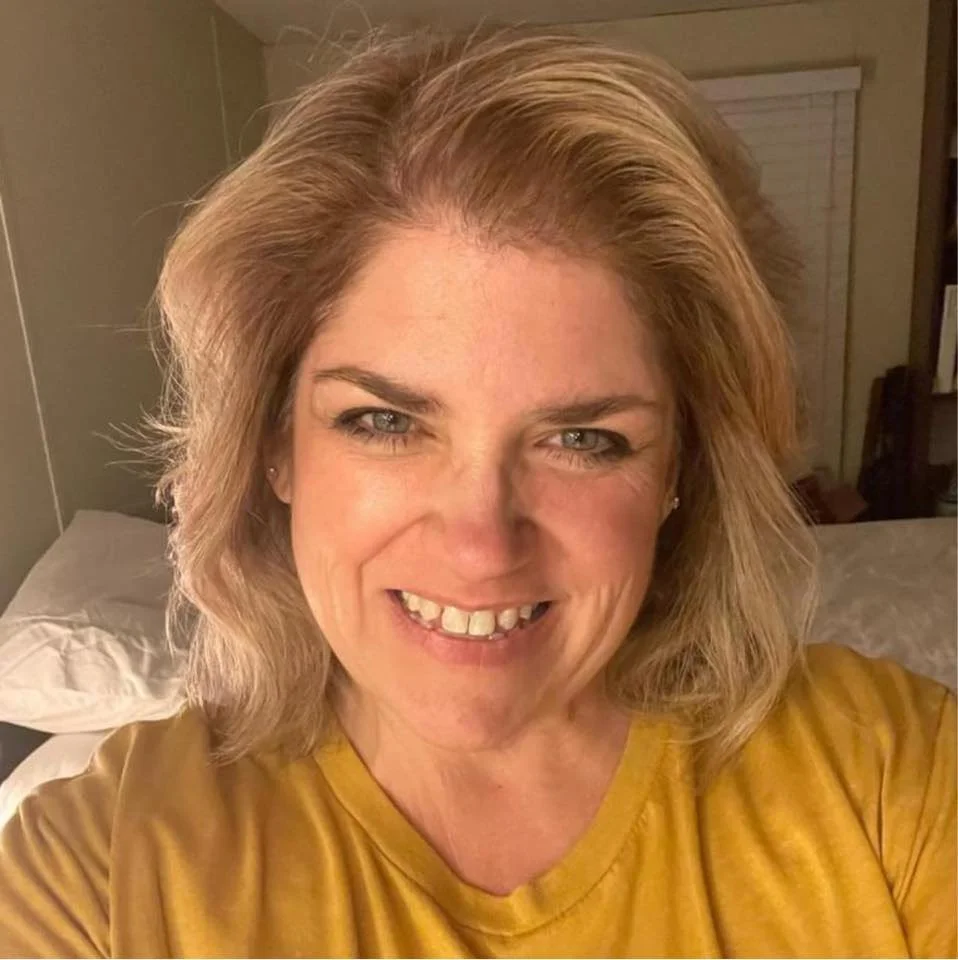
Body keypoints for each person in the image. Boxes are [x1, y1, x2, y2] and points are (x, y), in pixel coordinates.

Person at [0, 24, 954, 958]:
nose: (480, 545)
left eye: (584, 439)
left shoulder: (889, 780)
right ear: (271, 448)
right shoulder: (103, 876)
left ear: (680, 475)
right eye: (385, 422)